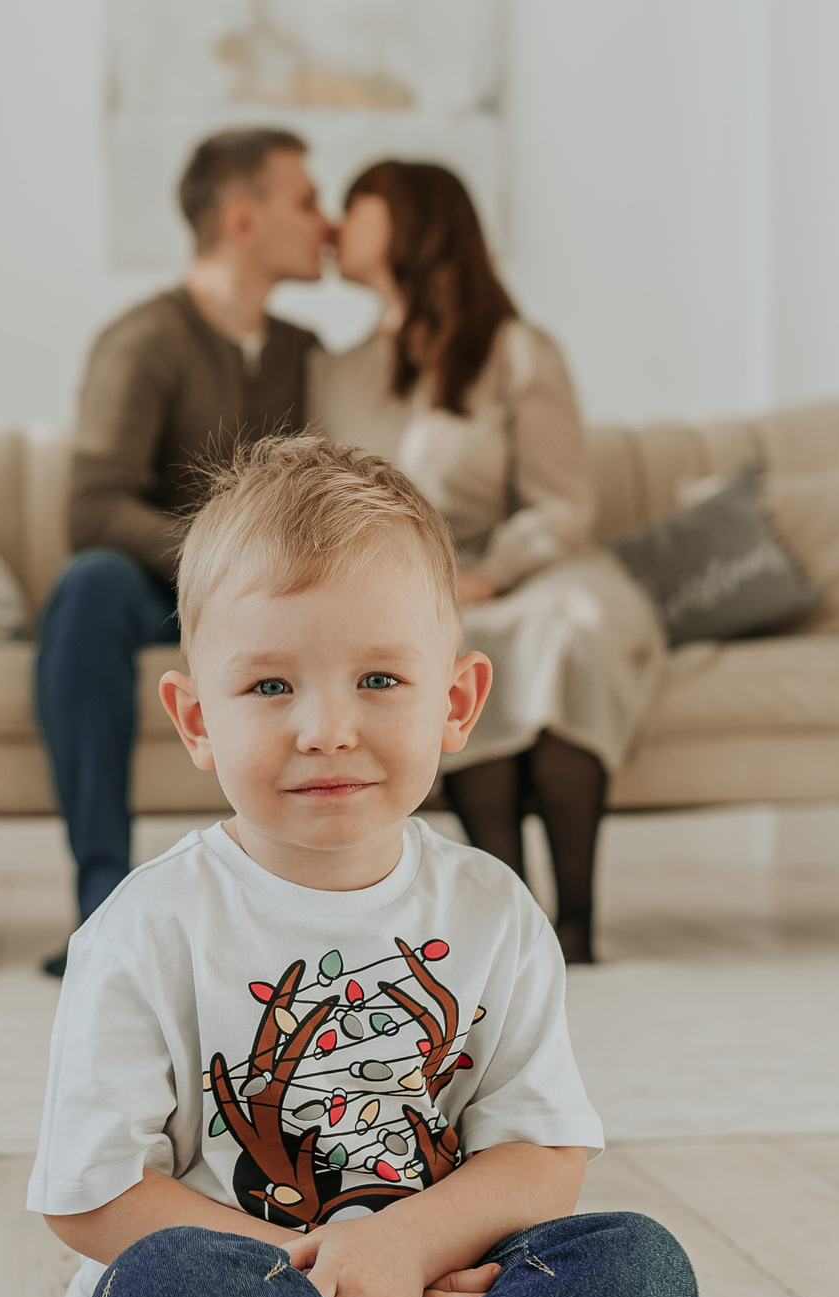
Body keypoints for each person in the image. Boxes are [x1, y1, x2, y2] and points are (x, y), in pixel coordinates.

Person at [26, 436, 753, 1297]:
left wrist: (407, 1247)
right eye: (269, 686)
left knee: (642, 1279)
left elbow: (543, 1157)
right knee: (154, 1294)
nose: (326, 727)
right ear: (194, 716)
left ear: (456, 699)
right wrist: (321, 1272)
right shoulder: (148, 927)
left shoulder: (489, 909)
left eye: (379, 679)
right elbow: (92, 1197)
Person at [311, 161, 666, 965]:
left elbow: (562, 504)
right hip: (410, 584)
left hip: (525, 570)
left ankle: (575, 922)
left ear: (409, 221)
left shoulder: (517, 352)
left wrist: (491, 573)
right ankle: (510, 924)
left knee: (554, 634)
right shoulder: (333, 372)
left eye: (355, 206)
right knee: (448, 650)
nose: (335, 223)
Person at [34, 128, 334, 976]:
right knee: (87, 586)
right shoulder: (145, 341)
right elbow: (91, 507)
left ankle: (320, 904)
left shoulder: (305, 354)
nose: (327, 222)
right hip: (160, 584)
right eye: (307, 202)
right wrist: (223, 560)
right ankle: (102, 910)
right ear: (242, 220)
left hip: (273, 590)